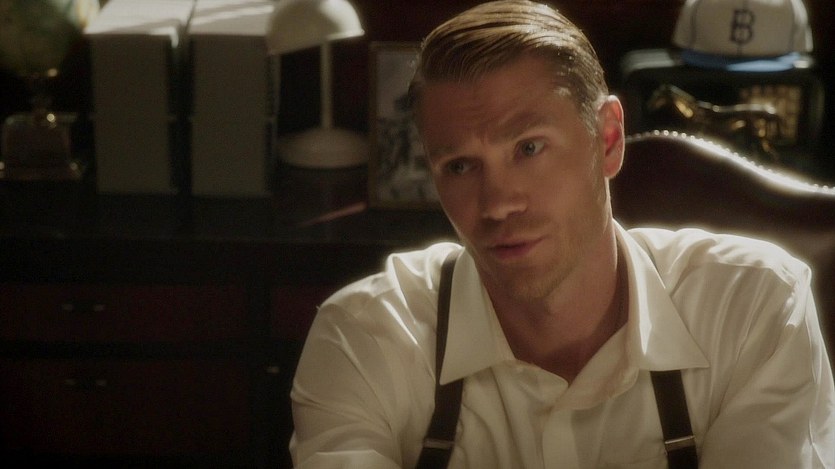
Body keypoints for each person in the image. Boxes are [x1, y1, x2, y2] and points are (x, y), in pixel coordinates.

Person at [289, 1, 835, 467]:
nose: (497, 203)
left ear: (608, 141)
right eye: (459, 166)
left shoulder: (753, 308)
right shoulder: (366, 336)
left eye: (528, 148)